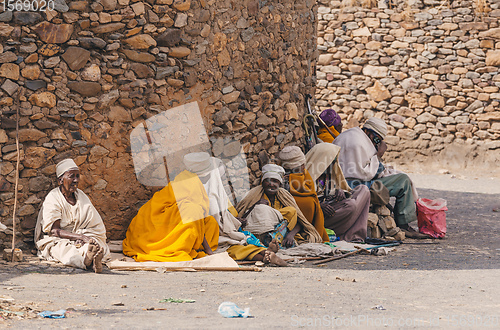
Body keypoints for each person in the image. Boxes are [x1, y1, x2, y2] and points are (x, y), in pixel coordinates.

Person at [184, 153, 287, 266]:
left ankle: (266, 254)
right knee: (234, 247)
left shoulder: (216, 195)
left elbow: (226, 217)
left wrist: (235, 221)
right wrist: (209, 251)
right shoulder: (207, 197)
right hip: (211, 238)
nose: (223, 180)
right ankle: (266, 254)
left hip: (220, 235)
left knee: (236, 248)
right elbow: (204, 224)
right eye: (221, 177)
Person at [333, 117, 425, 238]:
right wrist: (379, 154)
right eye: (376, 139)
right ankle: (403, 224)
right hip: (357, 186)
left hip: (340, 183)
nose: (376, 143)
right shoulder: (360, 142)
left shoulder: (348, 134)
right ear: (367, 131)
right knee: (403, 180)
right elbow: (369, 173)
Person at [122, 155, 219, 262]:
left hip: (170, 214)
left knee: (211, 222)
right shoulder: (191, 183)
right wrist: (209, 251)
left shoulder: (189, 178)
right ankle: (177, 247)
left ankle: (192, 243)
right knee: (193, 211)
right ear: (204, 175)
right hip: (157, 218)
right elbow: (196, 215)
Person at [34, 159, 110, 273]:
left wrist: (83, 237)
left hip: (81, 235)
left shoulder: (81, 196)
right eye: (71, 176)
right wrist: (79, 237)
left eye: (77, 176)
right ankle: (87, 262)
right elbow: (54, 231)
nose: (76, 180)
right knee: (64, 250)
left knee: (95, 246)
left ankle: (90, 257)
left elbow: (94, 223)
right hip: (59, 239)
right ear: (60, 180)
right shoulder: (53, 198)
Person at [236, 164, 323, 248]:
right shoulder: (253, 195)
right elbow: (241, 218)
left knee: (291, 211)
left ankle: (274, 239)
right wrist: (255, 205)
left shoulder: (285, 196)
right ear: (262, 182)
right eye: (268, 180)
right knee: (261, 209)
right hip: (258, 231)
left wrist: (290, 235)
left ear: (280, 184)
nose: (271, 184)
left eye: (275, 181)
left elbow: (299, 219)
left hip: (282, 233)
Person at [305, 143, 370, 242]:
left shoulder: (329, 174)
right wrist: (319, 205)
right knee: (351, 205)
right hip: (318, 216)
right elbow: (302, 203)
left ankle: (355, 235)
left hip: (332, 207)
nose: (334, 164)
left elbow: (343, 188)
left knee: (363, 190)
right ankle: (346, 235)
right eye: (331, 161)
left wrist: (341, 191)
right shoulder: (306, 176)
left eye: (335, 160)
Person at [278, 146, 329, 242]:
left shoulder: (304, 174)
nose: (303, 167)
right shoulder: (279, 178)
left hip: (308, 215)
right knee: (309, 203)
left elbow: (311, 191)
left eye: (303, 164)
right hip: (286, 216)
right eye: (300, 165)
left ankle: (299, 232)